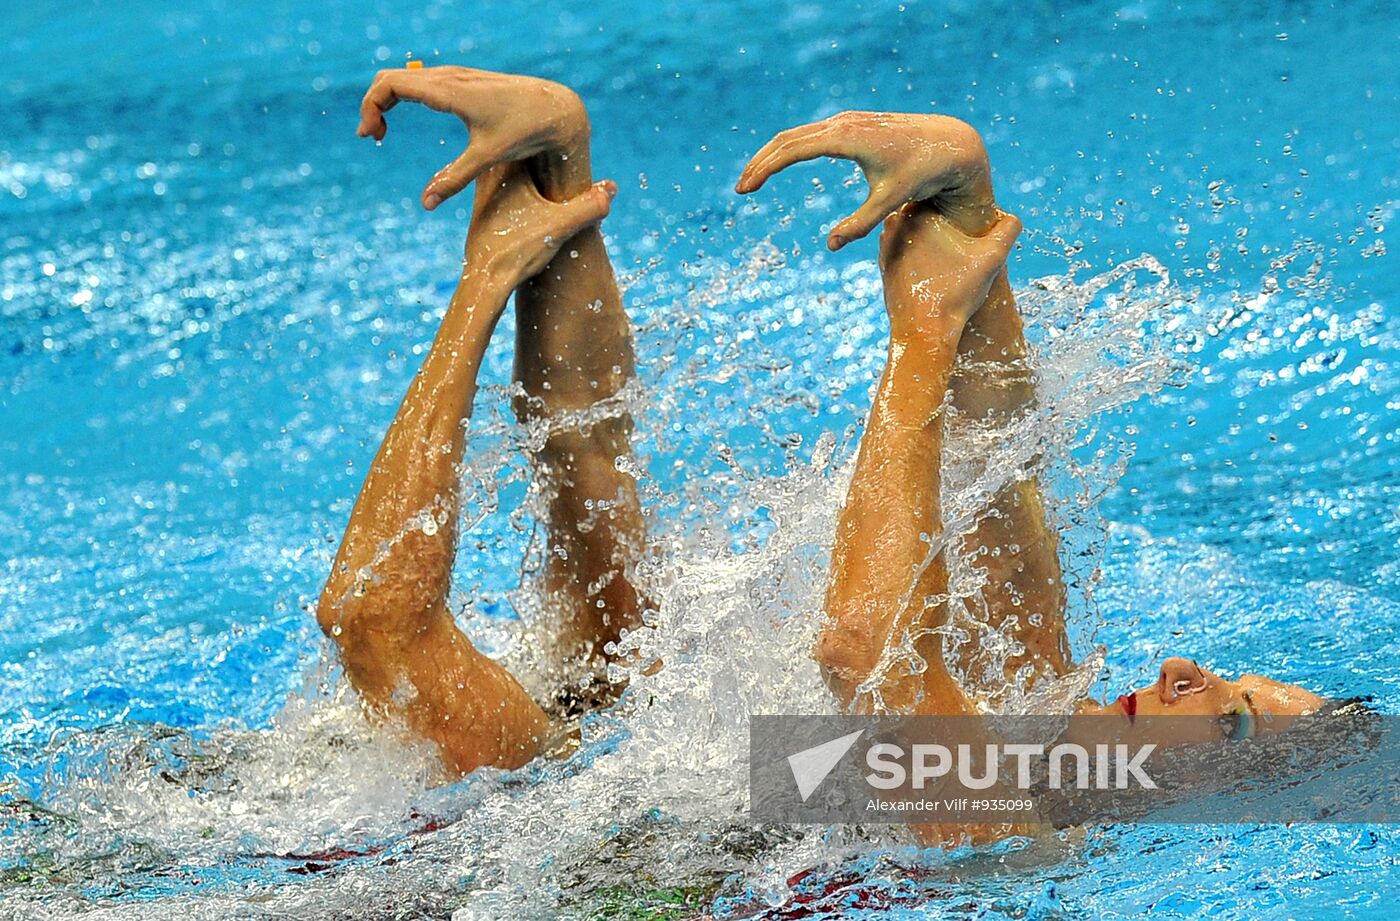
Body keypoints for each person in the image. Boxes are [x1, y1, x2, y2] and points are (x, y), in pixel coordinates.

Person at [317, 66, 1324, 807]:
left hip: (557, 853)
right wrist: (964, 196)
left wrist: (921, 338)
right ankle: (550, 170)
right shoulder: (1038, 699)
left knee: (401, 628)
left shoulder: (1012, 822)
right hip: (601, 790)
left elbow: (859, 652)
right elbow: (996, 460)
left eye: (1228, 718)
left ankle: (525, 213)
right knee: (605, 590)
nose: (1188, 671)